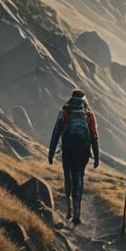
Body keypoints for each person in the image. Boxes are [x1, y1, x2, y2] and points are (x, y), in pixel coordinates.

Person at [48, 88, 99, 226]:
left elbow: (56, 134)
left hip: (68, 150)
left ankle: (69, 209)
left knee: (68, 177)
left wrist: (51, 153)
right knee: (79, 177)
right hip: (82, 152)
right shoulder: (89, 115)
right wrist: (97, 157)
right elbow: (94, 137)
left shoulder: (65, 113)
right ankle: (77, 213)